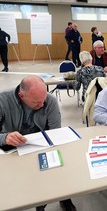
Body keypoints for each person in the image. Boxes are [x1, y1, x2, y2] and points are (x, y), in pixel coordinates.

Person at [0, 75, 76, 211]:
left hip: (43, 145)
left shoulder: (49, 101)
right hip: (14, 150)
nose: (42, 105)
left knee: (59, 167)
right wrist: (4, 138)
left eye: (43, 100)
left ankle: (64, 196)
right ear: (21, 96)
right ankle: (39, 201)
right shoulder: (2, 100)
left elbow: (55, 133)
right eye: (36, 102)